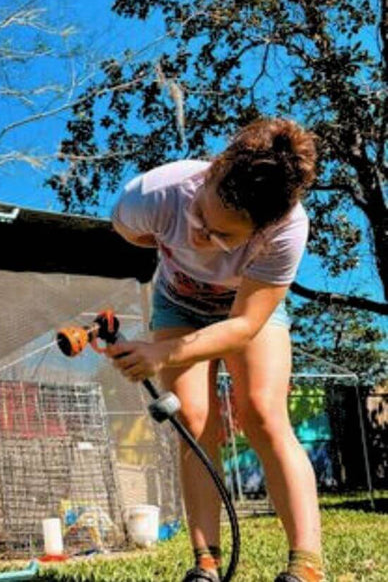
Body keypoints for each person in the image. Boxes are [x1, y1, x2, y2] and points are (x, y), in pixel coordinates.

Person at [108, 118, 324, 582]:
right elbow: (131, 233)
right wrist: (165, 347)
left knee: (263, 413)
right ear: (212, 172)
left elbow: (246, 324)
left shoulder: (288, 228)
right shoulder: (152, 194)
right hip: (177, 303)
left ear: (262, 230)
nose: (205, 238)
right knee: (191, 419)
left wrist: (163, 354)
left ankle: (306, 565)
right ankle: (205, 563)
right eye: (202, 219)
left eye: (226, 236)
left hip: (246, 306)